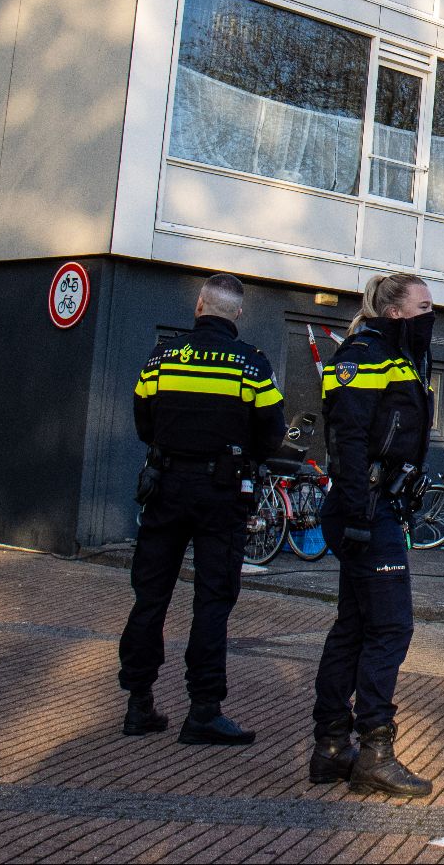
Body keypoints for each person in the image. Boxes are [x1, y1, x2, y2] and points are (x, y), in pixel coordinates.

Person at [119, 274, 285, 745]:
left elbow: (142, 421)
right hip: (222, 491)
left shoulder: (162, 357)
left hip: (166, 486)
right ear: (236, 314)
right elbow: (271, 433)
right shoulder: (251, 365)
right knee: (212, 601)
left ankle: (138, 703)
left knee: (150, 595)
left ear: (198, 307)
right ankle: (204, 711)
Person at [310, 273, 435, 797]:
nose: (433, 314)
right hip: (365, 507)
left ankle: (332, 747)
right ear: (397, 311)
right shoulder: (364, 353)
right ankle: (375, 752)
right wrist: (361, 509)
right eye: (425, 305)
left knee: (355, 626)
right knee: (389, 629)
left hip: (378, 505)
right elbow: (348, 435)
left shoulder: (398, 356)